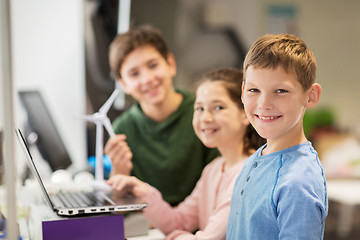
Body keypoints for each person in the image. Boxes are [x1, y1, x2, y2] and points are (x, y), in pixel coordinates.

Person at [106, 67, 265, 239]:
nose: (205, 118)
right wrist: (143, 191)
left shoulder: (250, 175)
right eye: (199, 109)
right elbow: (179, 222)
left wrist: (174, 237)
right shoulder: (214, 169)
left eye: (218, 107)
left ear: (245, 114)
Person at [226, 34, 328, 239]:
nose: (264, 104)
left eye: (280, 90)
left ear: (311, 95)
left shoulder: (298, 182)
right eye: (255, 90)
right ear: (243, 92)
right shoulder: (257, 159)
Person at [104, 25, 219, 206]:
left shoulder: (205, 113)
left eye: (153, 65)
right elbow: (120, 208)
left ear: (170, 64)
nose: (147, 79)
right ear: (123, 84)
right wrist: (119, 173)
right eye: (134, 74)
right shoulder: (121, 130)